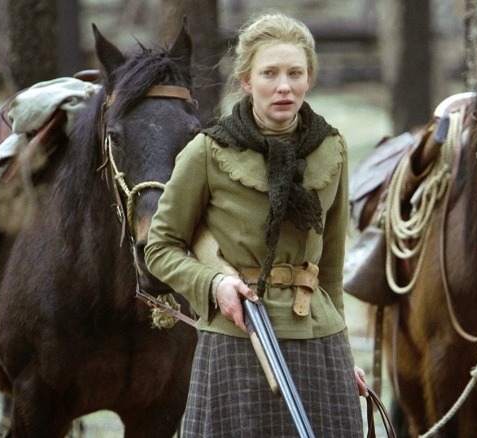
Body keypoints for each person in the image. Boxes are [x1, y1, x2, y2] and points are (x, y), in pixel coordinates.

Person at [144, 11, 367, 437]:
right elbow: (160, 247)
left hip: (320, 344)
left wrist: (346, 356)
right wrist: (214, 285)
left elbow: (331, 271)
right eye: (270, 73)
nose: (284, 86)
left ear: (309, 79)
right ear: (246, 81)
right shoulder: (208, 152)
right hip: (236, 342)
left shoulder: (332, 148)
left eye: (295, 73)